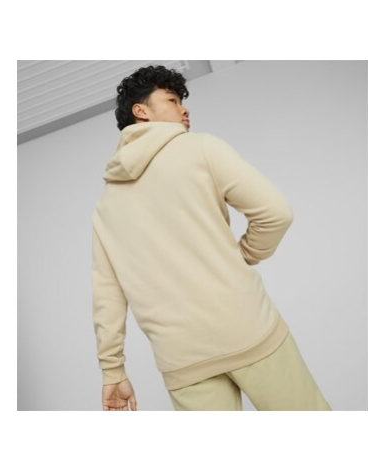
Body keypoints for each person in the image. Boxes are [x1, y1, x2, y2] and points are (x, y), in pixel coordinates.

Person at [91, 64, 331, 411]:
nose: (184, 109)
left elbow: (107, 293)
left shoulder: (106, 205)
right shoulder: (200, 148)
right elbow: (276, 213)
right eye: (172, 100)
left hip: (181, 357)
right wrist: (242, 256)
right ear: (140, 111)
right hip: (248, 329)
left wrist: (112, 370)